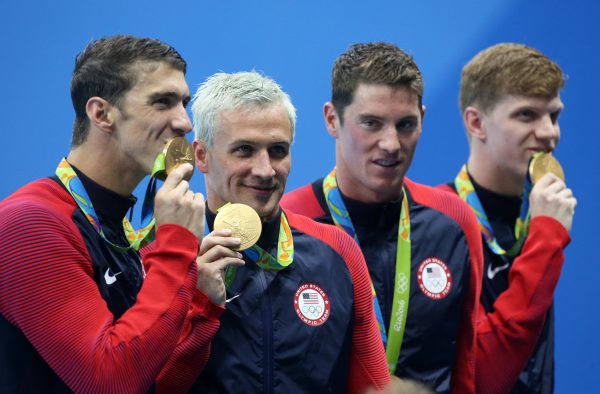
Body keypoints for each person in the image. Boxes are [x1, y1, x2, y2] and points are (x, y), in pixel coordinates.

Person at [0, 35, 228, 393]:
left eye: (183, 103)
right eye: (163, 102)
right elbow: (109, 381)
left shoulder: (116, 232)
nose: (185, 122)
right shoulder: (31, 224)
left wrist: (201, 307)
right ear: (102, 114)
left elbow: (156, 383)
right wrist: (176, 244)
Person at [281, 42, 483, 393]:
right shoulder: (286, 222)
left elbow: (465, 368)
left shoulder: (454, 222)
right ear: (332, 119)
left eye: (406, 124)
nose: (391, 143)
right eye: (372, 124)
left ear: (422, 119)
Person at [188, 71, 390, 393]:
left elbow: (374, 385)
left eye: (278, 150)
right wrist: (197, 303)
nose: (266, 170)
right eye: (244, 150)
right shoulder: (162, 256)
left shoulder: (337, 251)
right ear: (202, 156)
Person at [439, 43, 576, 393]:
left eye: (554, 115)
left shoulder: (533, 216)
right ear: (476, 122)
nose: (549, 133)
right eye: (527, 115)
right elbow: (482, 378)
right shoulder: (438, 220)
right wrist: (546, 239)